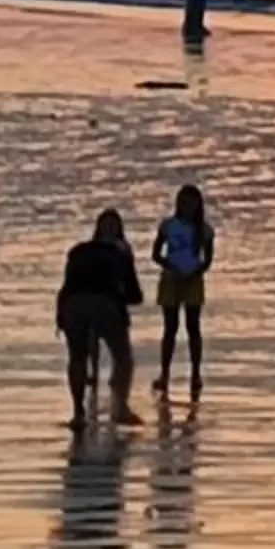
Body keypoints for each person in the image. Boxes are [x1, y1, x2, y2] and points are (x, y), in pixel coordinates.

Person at [56, 209, 143, 428]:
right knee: (123, 357)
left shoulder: (78, 251)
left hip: (73, 304)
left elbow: (66, 287)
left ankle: (78, 413)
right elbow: (134, 294)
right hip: (104, 303)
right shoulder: (120, 253)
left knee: (77, 358)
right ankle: (121, 409)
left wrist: (60, 316)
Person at [153, 183, 216, 402]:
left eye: (192, 202)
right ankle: (164, 373)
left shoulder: (204, 230)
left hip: (193, 279)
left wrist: (195, 272)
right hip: (171, 277)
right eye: (184, 201)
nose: (188, 206)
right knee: (170, 328)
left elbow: (208, 259)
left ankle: (195, 374)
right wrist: (171, 266)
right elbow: (156, 253)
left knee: (193, 327)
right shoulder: (168, 226)